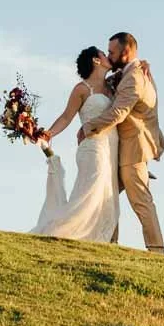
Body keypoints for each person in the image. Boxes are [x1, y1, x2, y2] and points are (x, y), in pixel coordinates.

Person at [82, 33, 164, 252]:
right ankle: (109, 241)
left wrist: (88, 127)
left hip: (134, 147)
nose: (109, 55)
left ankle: (157, 249)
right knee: (107, 193)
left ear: (126, 51)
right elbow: (106, 86)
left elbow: (118, 113)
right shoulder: (128, 73)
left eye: (112, 52)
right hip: (123, 146)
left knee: (140, 201)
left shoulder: (135, 77)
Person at [32, 47, 120, 240]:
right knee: (91, 191)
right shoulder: (82, 89)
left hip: (112, 146)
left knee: (106, 194)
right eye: (104, 54)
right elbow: (66, 117)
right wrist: (49, 133)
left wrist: (143, 64)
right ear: (96, 60)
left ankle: (97, 240)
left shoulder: (112, 85)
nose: (108, 56)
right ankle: (63, 232)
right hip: (93, 147)